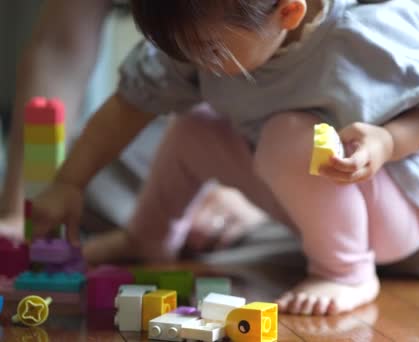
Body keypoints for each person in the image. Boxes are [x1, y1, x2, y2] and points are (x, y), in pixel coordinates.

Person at [18, 0, 419, 317]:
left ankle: (348, 272)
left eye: (208, 52)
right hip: (310, 184)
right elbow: (129, 105)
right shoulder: (197, 44)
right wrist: (69, 181)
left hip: (399, 208)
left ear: (290, 12)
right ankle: (149, 237)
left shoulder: (367, 29)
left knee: (287, 137)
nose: (188, 63)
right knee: (195, 124)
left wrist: (387, 143)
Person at [1, 0, 268, 248]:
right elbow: (61, 50)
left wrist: (253, 191)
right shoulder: (167, 70)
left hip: (268, 161)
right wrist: (24, 209)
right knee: (85, 158)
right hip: (169, 143)